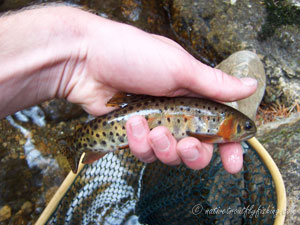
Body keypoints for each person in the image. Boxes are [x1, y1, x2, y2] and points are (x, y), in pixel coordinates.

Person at [0, 5, 257, 174]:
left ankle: (80, 144)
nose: (247, 130)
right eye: (245, 127)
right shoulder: (218, 128)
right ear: (230, 124)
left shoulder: (220, 124)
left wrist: (81, 56)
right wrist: (80, 56)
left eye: (245, 128)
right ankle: (77, 144)